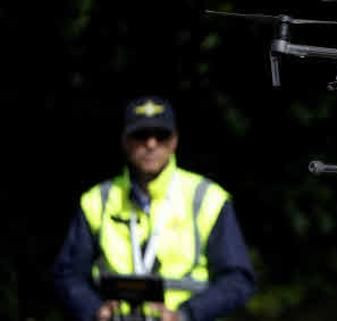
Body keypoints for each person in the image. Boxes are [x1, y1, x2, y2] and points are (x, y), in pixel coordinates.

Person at [52, 96, 256, 321]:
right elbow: (68, 274)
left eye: (161, 135)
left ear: (175, 141)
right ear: (125, 141)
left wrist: (185, 314)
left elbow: (237, 279)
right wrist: (95, 310)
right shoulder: (96, 201)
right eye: (141, 135)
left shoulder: (208, 199)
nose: (151, 144)